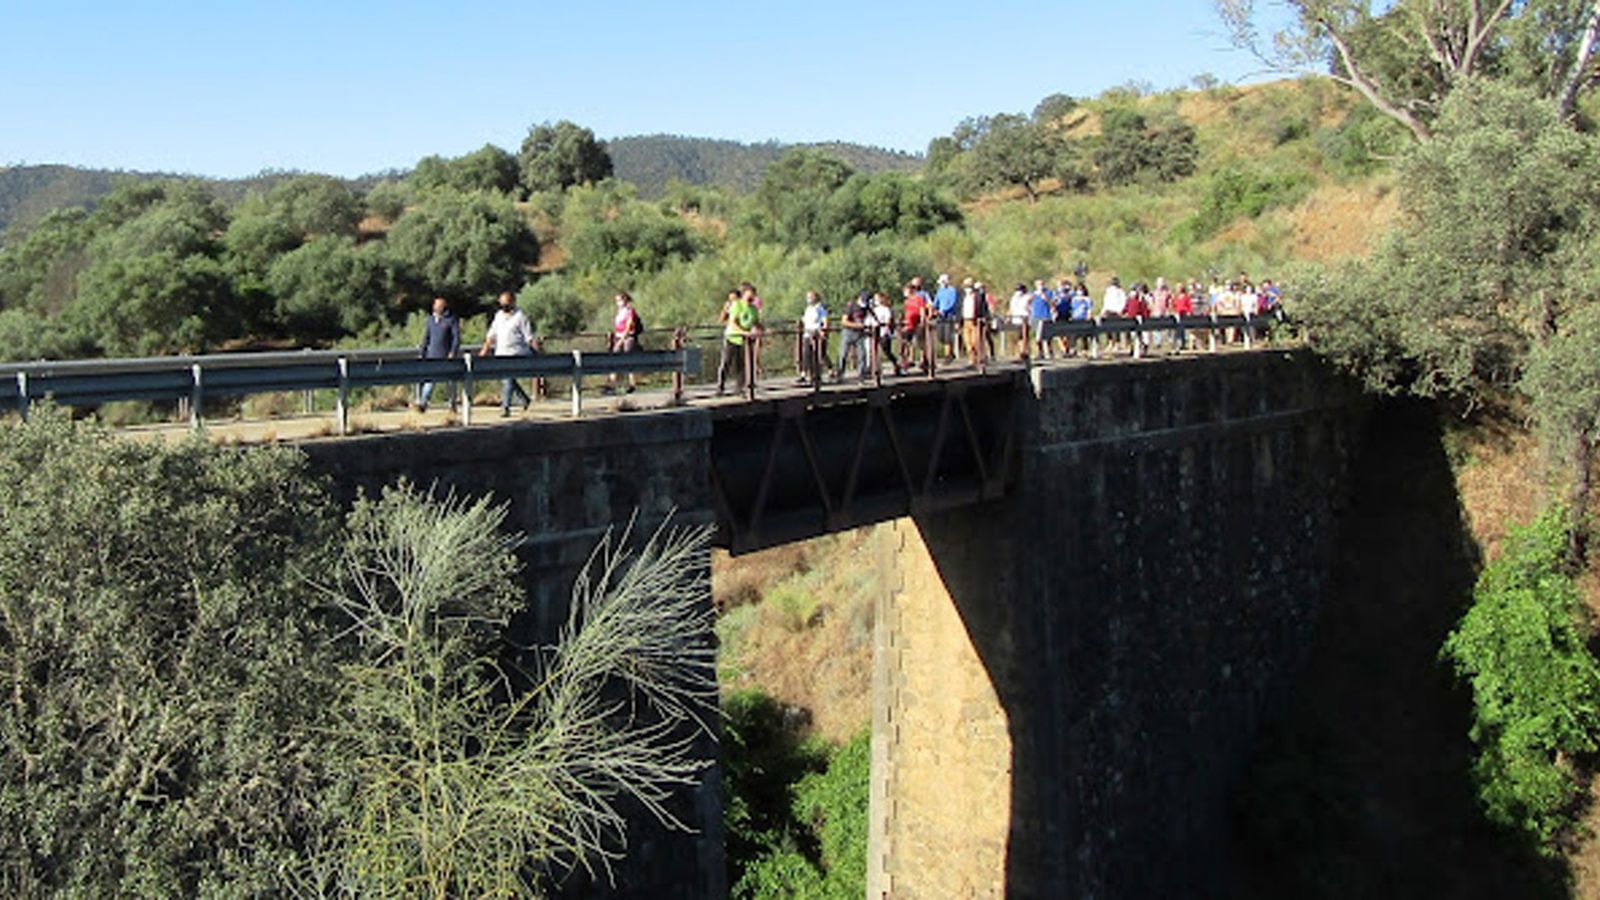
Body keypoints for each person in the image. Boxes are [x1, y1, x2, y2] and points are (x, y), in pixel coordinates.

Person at [479, 290, 536, 417]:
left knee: (508, 379)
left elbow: (529, 337)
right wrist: (484, 351)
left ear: (513, 302)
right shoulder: (498, 316)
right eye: (502, 304)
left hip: (516, 353)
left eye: (506, 304)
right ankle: (524, 399)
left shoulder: (521, 317)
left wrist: (538, 353)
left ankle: (505, 407)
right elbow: (491, 335)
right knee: (508, 379)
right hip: (501, 353)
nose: (504, 307)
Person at [415, 296, 460, 413]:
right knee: (430, 381)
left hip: (446, 356)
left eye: (439, 306)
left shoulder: (451, 320)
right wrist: (422, 352)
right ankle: (423, 403)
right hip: (432, 356)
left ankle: (452, 404)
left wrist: (453, 352)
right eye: (435, 305)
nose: (436, 308)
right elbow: (426, 337)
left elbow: (456, 338)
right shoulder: (431, 320)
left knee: (450, 382)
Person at [717, 287, 759, 395]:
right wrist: (743, 332)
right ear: (744, 296)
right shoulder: (737, 305)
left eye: (752, 297)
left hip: (744, 341)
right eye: (748, 297)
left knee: (741, 365)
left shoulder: (753, 309)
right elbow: (733, 322)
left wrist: (761, 330)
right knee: (727, 362)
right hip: (732, 337)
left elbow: (755, 322)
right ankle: (720, 386)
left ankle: (740, 387)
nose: (750, 299)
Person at [608, 291, 643, 393]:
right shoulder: (619, 312)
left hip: (628, 338)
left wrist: (622, 339)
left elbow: (629, 326)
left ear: (625, 300)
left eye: (619, 300)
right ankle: (612, 384)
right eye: (616, 301)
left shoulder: (630, 311)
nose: (617, 302)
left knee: (628, 360)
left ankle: (632, 384)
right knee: (614, 359)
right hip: (619, 337)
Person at [836, 291, 872, 382]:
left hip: (860, 334)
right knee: (843, 354)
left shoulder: (867, 307)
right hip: (848, 332)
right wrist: (857, 325)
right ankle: (840, 375)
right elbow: (844, 321)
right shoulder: (851, 306)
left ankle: (861, 376)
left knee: (862, 355)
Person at [799, 290, 829, 384]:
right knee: (806, 354)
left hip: (816, 334)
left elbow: (825, 321)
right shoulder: (808, 308)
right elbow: (804, 319)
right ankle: (804, 374)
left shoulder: (819, 308)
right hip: (807, 334)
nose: (808, 299)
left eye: (810, 297)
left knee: (817, 355)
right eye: (807, 297)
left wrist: (823, 331)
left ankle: (816, 375)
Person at [870, 290, 900, 376]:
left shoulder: (886, 309)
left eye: (877, 298)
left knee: (886, 351)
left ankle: (896, 363)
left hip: (884, 333)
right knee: (874, 351)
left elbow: (888, 320)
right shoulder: (874, 310)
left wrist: (886, 329)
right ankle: (876, 369)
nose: (875, 300)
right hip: (874, 332)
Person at [933, 274, 960, 361]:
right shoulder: (940, 291)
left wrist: (944, 310)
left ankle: (948, 355)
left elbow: (953, 303)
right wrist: (933, 309)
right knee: (940, 336)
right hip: (940, 316)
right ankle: (950, 353)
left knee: (948, 335)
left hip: (949, 316)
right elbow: (936, 302)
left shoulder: (952, 291)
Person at [1028, 282, 1054, 360]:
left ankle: (1050, 352)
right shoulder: (1033, 294)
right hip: (1036, 317)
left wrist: (1045, 298)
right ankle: (1040, 352)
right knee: (1037, 337)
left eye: (1042, 284)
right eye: (1039, 284)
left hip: (1046, 316)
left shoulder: (1048, 292)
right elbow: (1028, 302)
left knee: (1048, 337)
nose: (1041, 286)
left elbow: (1052, 303)